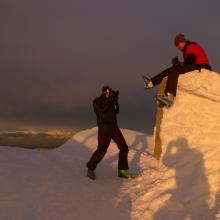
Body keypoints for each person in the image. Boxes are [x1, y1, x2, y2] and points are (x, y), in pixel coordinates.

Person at [144, 33, 212, 107]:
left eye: (178, 44)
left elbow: (191, 59)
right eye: (176, 45)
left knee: (175, 70)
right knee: (172, 69)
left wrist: (179, 64)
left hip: (202, 66)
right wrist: (178, 63)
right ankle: (151, 83)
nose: (177, 47)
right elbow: (188, 63)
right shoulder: (186, 50)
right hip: (196, 66)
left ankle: (169, 96)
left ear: (182, 42)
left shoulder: (190, 46)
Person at [86, 86, 132, 180]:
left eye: (110, 92)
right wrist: (110, 99)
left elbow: (117, 111)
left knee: (124, 147)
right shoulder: (97, 101)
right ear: (103, 92)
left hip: (114, 127)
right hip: (104, 127)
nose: (108, 93)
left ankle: (122, 170)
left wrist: (115, 100)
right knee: (102, 150)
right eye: (107, 91)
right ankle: (90, 169)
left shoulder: (111, 101)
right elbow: (102, 109)